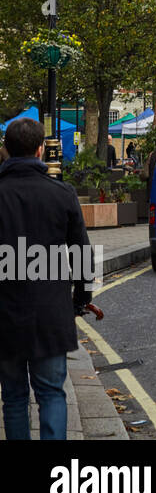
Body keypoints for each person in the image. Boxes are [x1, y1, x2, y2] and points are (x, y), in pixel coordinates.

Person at [0, 118, 94, 440]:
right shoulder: (62, 194)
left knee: (12, 397)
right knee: (52, 393)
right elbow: (81, 253)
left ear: (6, 149)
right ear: (41, 150)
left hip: (5, 315)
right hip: (50, 315)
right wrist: (82, 299)